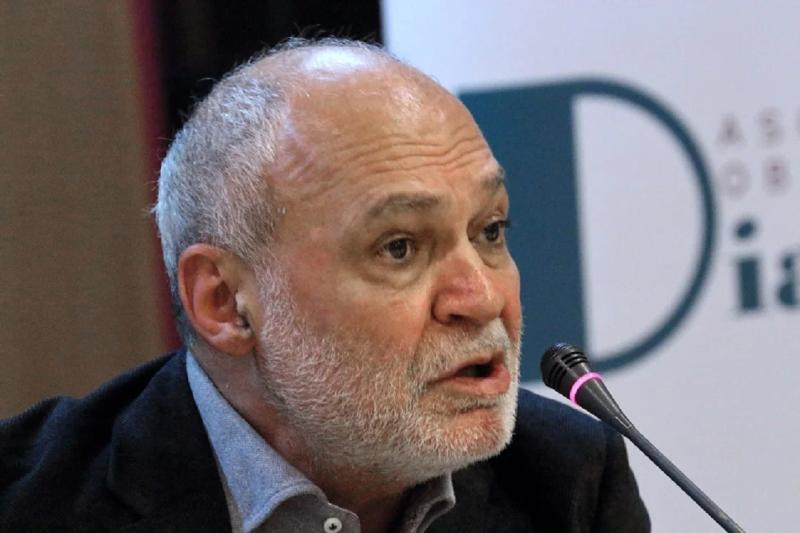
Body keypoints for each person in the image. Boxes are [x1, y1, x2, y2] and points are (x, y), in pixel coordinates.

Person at [0, 38, 649, 532]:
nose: (480, 298)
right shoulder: (29, 504)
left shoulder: (567, 480)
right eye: (399, 247)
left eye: (490, 231)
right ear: (224, 302)